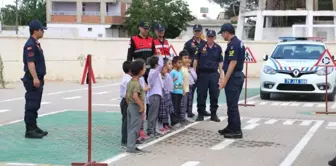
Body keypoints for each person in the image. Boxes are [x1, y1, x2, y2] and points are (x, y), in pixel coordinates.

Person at [218, 23, 245, 139]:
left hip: (234, 77)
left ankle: (236, 130)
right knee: (230, 103)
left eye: (222, 33)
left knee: (232, 104)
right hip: (236, 76)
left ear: (226, 33)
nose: (222, 36)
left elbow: (232, 63)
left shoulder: (234, 44)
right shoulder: (237, 43)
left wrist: (225, 79)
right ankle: (231, 126)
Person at [21, 20, 48, 139]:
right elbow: (30, 63)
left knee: (35, 104)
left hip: (38, 79)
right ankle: (29, 130)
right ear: (35, 31)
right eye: (41, 29)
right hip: (32, 80)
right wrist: (35, 78)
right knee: (31, 104)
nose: (43, 31)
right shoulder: (30, 45)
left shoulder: (36, 43)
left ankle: (34, 126)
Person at [193, 30, 223, 122]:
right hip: (202, 74)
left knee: (214, 94)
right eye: (209, 37)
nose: (210, 38)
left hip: (214, 74)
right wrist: (194, 74)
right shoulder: (200, 47)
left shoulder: (218, 48)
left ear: (215, 38)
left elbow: (220, 62)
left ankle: (213, 114)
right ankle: (200, 114)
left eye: (212, 37)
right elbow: (195, 61)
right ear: (206, 37)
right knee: (201, 94)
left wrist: (221, 75)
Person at [183, 24, 208, 117]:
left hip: (202, 71)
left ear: (201, 32)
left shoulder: (205, 43)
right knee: (190, 92)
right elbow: (184, 57)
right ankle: (188, 111)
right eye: (195, 31)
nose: (197, 33)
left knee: (202, 92)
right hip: (191, 71)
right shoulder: (188, 43)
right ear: (193, 32)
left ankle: (202, 110)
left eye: (199, 31)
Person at [126, 59, 146, 154]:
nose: (145, 69)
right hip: (135, 106)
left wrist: (129, 103)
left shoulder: (130, 82)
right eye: (144, 67)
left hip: (130, 106)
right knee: (135, 127)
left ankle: (131, 145)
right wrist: (141, 106)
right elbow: (135, 96)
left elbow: (127, 95)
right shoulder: (137, 84)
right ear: (140, 70)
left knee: (131, 127)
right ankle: (131, 147)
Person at [146, 55, 164, 137]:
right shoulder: (153, 73)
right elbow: (161, 66)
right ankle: (150, 130)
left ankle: (153, 129)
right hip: (154, 95)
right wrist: (160, 55)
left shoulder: (155, 72)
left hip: (157, 95)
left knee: (155, 113)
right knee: (152, 114)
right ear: (156, 65)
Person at [158, 58, 174, 133]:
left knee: (168, 110)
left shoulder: (168, 75)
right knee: (163, 111)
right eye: (169, 64)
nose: (171, 65)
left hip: (168, 94)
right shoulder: (160, 77)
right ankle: (163, 124)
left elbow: (170, 84)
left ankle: (167, 123)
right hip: (163, 95)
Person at [120, 61, 132, 147]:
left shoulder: (127, 78)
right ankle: (125, 140)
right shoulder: (128, 79)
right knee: (126, 121)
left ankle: (127, 139)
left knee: (127, 120)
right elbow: (127, 93)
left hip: (126, 100)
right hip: (126, 101)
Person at [170, 56, 184, 127]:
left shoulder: (180, 72)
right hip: (174, 92)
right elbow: (169, 82)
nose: (181, 64)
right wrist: (173, 80)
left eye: (181, 63)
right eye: (179, 63)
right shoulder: (172, 72)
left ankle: (178, 119)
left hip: (179, 92)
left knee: (178, 107)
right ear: (174, 64)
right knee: (174, 107)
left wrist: (183, 90)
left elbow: (181, 82)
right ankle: (174, 122)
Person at [179, 50, 191, 124]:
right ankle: (181, 119)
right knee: (181, 105)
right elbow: (180, 81)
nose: (187, 59)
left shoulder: (186, 67)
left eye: (187, 58)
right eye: (185, 58)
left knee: (184, 105)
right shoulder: (180, 69)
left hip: (186, 89)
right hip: (182, 90)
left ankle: (183, 118)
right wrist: (182, 90)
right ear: (181, 59)